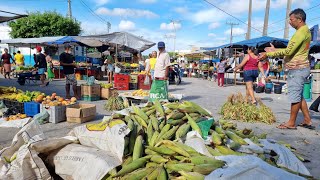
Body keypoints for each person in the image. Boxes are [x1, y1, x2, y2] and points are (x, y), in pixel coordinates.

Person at [259, 8, 314, 130]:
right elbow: (292, 50)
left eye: (291, 19)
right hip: (301, 67)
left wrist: (268, 54)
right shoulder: (305, 31)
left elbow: (289, 51)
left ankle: (291, 123)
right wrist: (275, 50)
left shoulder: (300, 32)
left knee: (295, 96)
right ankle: (307, 120)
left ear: (299, 20)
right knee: (299, 95)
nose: (290, 22)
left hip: (297, 69)